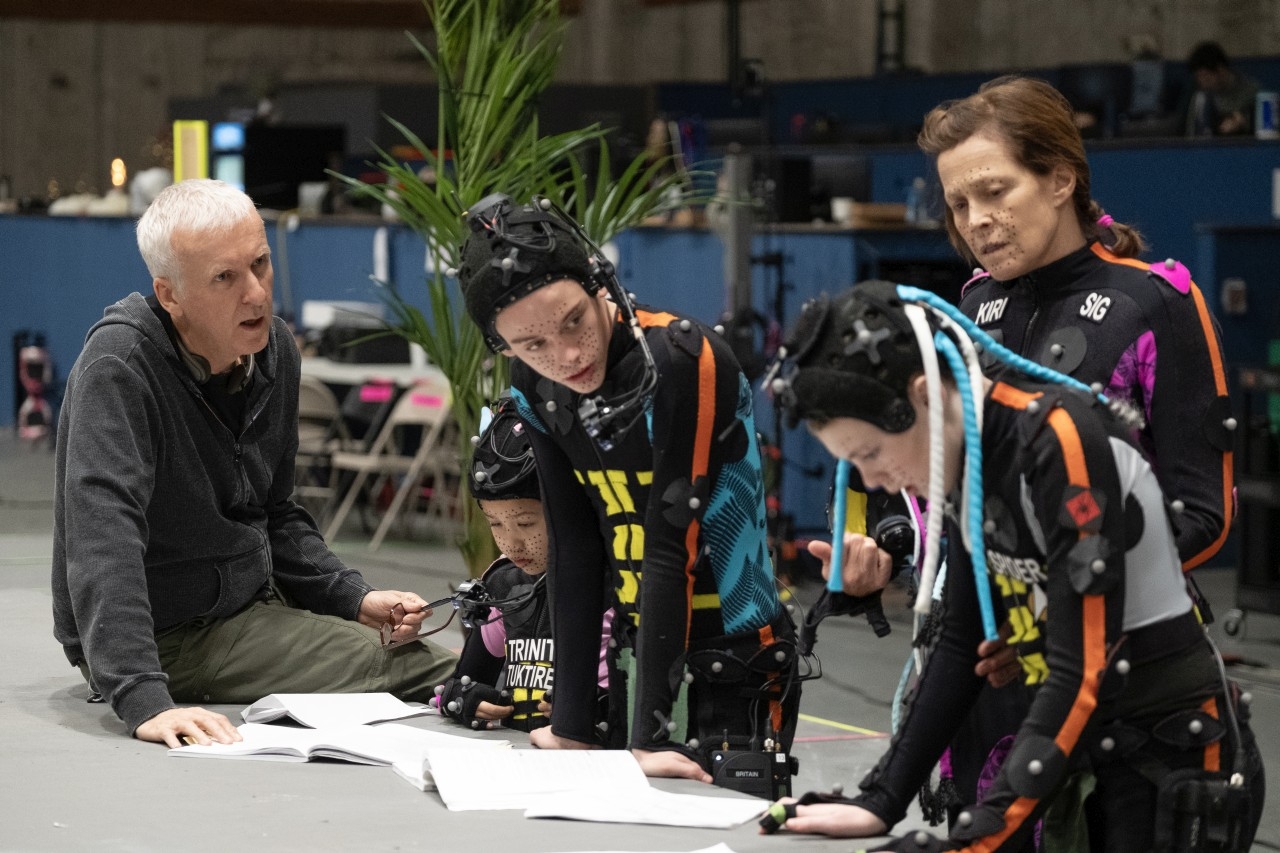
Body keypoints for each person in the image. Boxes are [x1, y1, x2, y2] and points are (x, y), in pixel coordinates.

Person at [764, 280, 1263, 851]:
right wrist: (880, 800)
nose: (874, 481)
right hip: (1086, 746)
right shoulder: (969, 449)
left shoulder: (1057, 442)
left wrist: (973, 843)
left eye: (870, 454)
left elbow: (1081, 672)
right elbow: (961, 642)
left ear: (925, 396)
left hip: (1171, 757)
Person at [51, 179, 457, 748]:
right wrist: (142, 696)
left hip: (248, 600)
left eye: (260, 264)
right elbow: (103, 538)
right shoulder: (120, 369)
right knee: (425, 667)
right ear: (170, 295)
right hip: (171, 634)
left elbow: (276, 515)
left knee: (406, 651)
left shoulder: (274, 351)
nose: (256, 292)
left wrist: (352, 597)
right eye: (225, 277)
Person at [457, 194, 800, 787]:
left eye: (574, 321)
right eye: (532, 345)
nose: (566, 356)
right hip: (636, 653)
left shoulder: (681, 358)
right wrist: (570, 723)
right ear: (505, 347)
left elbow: (670, 545)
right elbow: (573, 545)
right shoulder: (533, 386)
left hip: (736, 654)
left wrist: (652, 738)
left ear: (601, 284)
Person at [433, 396, 612, 733]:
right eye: (495, 524)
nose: (511, 543)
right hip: (514, 753)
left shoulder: (613, 587)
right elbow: (461, 683)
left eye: (526, 523)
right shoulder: (505, 583)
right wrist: (465, 700)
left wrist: (596, 710)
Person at [1185, 41, 1260, 136]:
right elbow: (1191, 132)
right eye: (1198, 78)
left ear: (1221, 71)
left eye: (1206, 77)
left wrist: (1242, 123)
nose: (1203, 84)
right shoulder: (1200, 97)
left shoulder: (1250, 91)